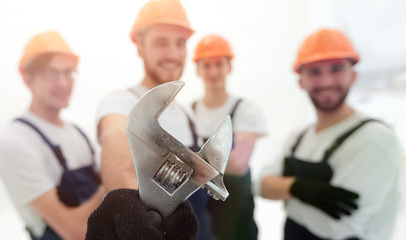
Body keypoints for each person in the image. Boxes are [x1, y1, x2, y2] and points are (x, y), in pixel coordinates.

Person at [255, 28, 403, 239]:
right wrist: (296, 187)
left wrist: (286, 196)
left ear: (353, 75)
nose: (325, 81)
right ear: (301, 81)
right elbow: (259, 184)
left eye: (336, 69)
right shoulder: (298, 137)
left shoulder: (375, 139)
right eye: (314, 72)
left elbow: (338, 226)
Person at [89, 0, 205, 239]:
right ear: (140, 46)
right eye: (161, 42)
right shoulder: (120, 102)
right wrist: (136, 214)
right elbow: (115, 146)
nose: (173, 54)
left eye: (180, 43)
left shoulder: (188, 114)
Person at [0, 31, 105, 240]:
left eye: (69, 72)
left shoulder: (77, 133)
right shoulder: (16, 143)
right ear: (27, 77)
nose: (63, 83)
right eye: (51, 73)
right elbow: (74, 231)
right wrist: (108, 184)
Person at [191, 34, 267, 240]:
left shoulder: (245, 109)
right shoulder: (188, 112)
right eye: (207, 65)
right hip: (199, 218)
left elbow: (238, 163)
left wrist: (187, 156)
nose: (213, 72)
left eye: (219, 64)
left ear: (229, 67)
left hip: (236, 219)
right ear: (198, 69)